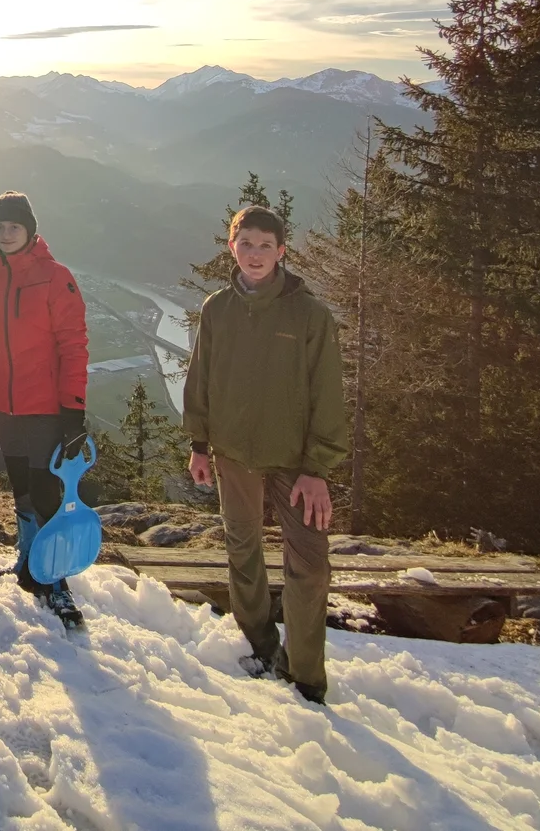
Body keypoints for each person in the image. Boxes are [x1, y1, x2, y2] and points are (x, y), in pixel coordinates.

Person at [183, 204, 348, 704]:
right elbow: (201, 379)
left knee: (309, 565)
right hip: (233, 453)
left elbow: (328, 394)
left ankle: (304, 676)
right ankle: (259, 642)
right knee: (243, 549)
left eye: (265, 245)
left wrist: (317, 468)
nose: (255, 255)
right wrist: (199, 444)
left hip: (296, 464)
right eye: (245, 243)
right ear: (231, 247)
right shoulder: (218, 308)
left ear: (282, 252)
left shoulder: (309, 315)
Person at [0, 191, 91, 627]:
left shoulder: (55, 278)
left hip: (45, 406)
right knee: (20, 486)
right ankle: (27, 562)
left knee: (45, 491)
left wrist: (73, 410)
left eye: (12, 226)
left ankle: (54, 580)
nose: (5, 234)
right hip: (4, 405)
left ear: (30, 229)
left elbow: (74, 346)